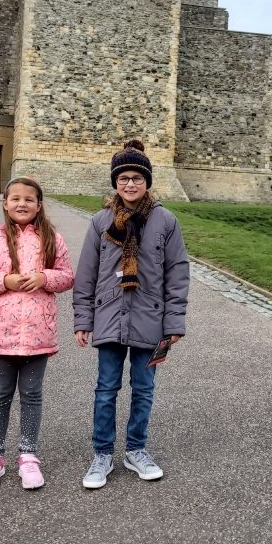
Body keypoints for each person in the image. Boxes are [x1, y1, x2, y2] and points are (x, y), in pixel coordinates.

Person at [73, 139, 190, 488]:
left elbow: (177, 273)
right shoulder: (100, 222)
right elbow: (86, 274)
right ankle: (102, 454)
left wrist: (174, 324)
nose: (130, 184)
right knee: (106, 388)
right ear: (115, 183)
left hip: (150, 318)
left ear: (147, 181)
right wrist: (83, 320)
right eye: (123, 178)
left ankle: (136, 449)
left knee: (144, 388)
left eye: (136, 178)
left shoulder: (166, 221)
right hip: (109, 315)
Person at [0, 176, 74, 491]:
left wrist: (44, 277)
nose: (22, 204)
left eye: (29, 199)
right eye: (15, 198)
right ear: (5, 203)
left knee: (32, 395)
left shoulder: (52, 238)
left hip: (39, 333)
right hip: (1, 333)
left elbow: (67, 276)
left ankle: (28, 455)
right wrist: (4, 281)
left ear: (39, 205)